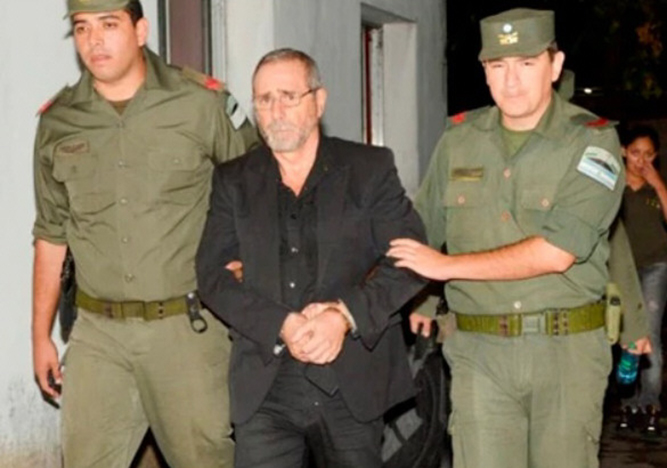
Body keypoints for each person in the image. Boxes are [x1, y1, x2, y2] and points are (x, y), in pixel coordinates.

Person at [387, 8, 649, 468]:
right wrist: (418, 296)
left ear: (555, 65)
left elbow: (560, 251)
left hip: (565, 352)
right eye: (498, 65)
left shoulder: (592, 142)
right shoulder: (458, 140)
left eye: (526, 63)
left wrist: (444, 267)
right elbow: (420, 232)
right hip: (479, 351)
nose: (511, 80)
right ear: (485, 71)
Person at [31, 1, 256, 467]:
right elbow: (51, 234)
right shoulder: (58, 121)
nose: (94, 40)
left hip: (186, 328)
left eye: (109, 24)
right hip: (98, 334)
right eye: (82, 28)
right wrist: (40, 336)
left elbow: (260, 192)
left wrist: (248, 263)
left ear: (140, 30)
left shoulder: (200, 103)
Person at [195, 48, 427, 468]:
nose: (276, 111)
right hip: (266, 383)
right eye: (264, 99)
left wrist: (344, 315)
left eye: (289, 96)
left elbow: (411, 259)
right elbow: (212, 276)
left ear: (319, 101)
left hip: (350, 380)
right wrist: (280, 324)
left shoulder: (368, 169)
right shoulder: (234, 181)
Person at [618, 125, 667, 434]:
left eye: (648, 154)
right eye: (636, 153)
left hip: (655, 265)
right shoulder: (612, 185)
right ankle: (628, 401)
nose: (641, 161)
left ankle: (650, 403)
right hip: (620, 270)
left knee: (649, 332)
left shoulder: (655, 188)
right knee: (625, 334)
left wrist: (657, 183)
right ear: (623, 151)